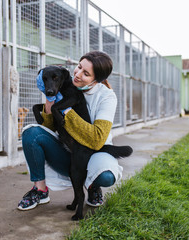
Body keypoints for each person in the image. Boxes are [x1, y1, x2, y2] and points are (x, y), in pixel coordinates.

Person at [17, 50, 123, 211]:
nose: (78, 74)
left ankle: (93, 186)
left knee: (106, 176)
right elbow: (49, 129)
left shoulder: (107, 97)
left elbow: (97, 139)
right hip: (67, 152)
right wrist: (49, 98)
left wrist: (65, 110)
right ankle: (40, 190)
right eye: (79, 67)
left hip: (94, 153)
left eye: (86, 73)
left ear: (97, 80)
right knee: (32, 133)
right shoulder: (62, 84)